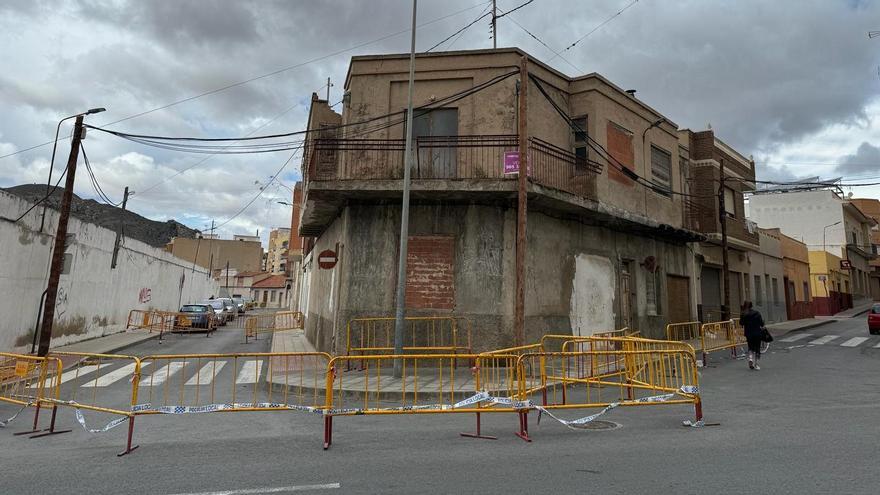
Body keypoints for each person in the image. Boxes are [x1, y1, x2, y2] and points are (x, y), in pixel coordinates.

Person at [739, 301, 766, 370]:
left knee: (750, 347)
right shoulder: (757, 313)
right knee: (757, 348)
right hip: (757, 333)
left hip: (748, 333)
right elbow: (761, 323)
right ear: (752, 306)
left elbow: (741, 323)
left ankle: (750, 359)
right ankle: (756, 364)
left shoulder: (743, 314)